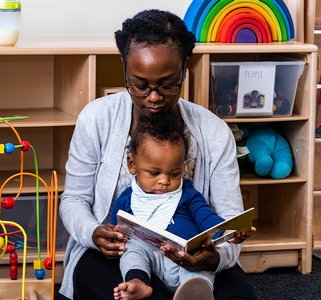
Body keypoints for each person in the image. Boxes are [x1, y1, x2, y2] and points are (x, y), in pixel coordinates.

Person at [58, 9, 257, 300]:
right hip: (120, 253)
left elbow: (228, 217)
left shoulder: (214, 132)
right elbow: (74, 200)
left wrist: (217, 256)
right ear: (125, 69)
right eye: (139, 85)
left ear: (184, 70)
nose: (153, 97)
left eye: (167, 84)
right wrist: (93, 232)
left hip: (192, 257)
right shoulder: (96, 119)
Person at [111, 113, 228, 300]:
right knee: (132, 251)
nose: (164, 181)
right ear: (132, 165)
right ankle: (138, 281)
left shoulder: (187, 194)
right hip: (150, 259)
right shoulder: (127, 199)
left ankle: (196, 290)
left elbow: (210, 220)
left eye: (174, 174)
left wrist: (231, 231)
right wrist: (115, 235)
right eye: (154, 173)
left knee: (200, 264)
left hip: (185, 260)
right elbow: (116, 230)